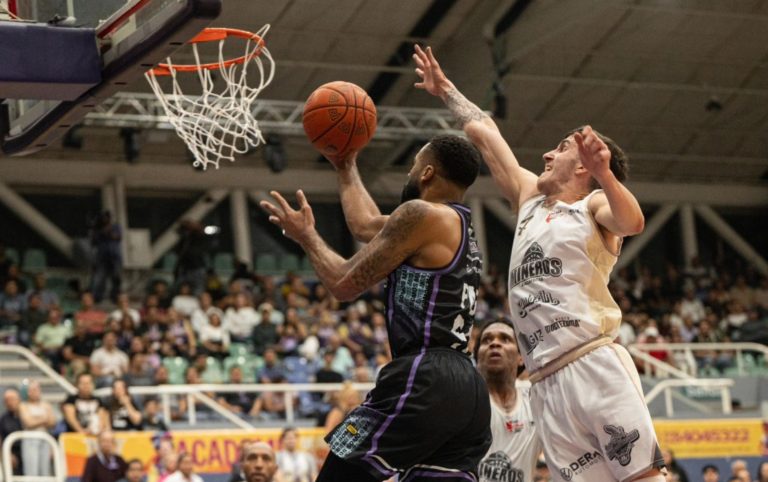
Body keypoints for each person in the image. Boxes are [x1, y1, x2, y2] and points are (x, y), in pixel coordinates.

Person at [414, 44, 663, 481]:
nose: (547, 155)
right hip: (544, 381)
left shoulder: (592, 204)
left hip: (591, 362)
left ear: (584, 167)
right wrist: (446, 89)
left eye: (561, 149)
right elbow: (485, 135)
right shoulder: (530, 198)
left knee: (643, 477)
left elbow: (633, 222)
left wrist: (605, 174)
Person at [260, 131, 490, 481]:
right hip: (468, 388)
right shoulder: (457, 227)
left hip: (426, 376)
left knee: (338, 474)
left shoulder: (421, 213)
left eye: (414, 166)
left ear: (427, 173)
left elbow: (342, 283)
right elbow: (364, 224)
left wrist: (306, 237)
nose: (410, 173)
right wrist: (345, 166)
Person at [474, 319, 542, 482]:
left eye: (505, 339)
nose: (494, 343)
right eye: (486, 340)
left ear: (521, 358)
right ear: (477, 357)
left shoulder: (537, 398)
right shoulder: (465, 400)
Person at [19, 380, 56, 476]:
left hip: (45, 439)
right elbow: (28, 423)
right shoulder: (23, 405)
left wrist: (36, 419)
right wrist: (44, 419)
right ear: (27, 392)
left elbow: (52, 422)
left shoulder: (46, 405)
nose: (36, 392)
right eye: (33, 390)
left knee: (45, 471)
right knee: (31, 471)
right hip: (30, 440)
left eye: (37, 389)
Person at [90, 210, 123, 303]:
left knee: (116, 277)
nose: (104, 219)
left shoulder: (115, 226)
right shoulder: (97, 229)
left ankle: (115, 297)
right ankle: (97, 297)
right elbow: (94, 241)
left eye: (106, 217)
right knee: (100, 278)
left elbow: (118, 236)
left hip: (114, 256)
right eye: (103, 218)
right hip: (102, 257)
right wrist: (100, 231)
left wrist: (108, 231)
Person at [0, 388, 23, 475]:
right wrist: (6, 454)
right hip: (11, 452)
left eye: (12, 399)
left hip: (29, 450)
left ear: (19, 399)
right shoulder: (3, 419)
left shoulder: (26, 414)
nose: (9, 402)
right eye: (7, 400)